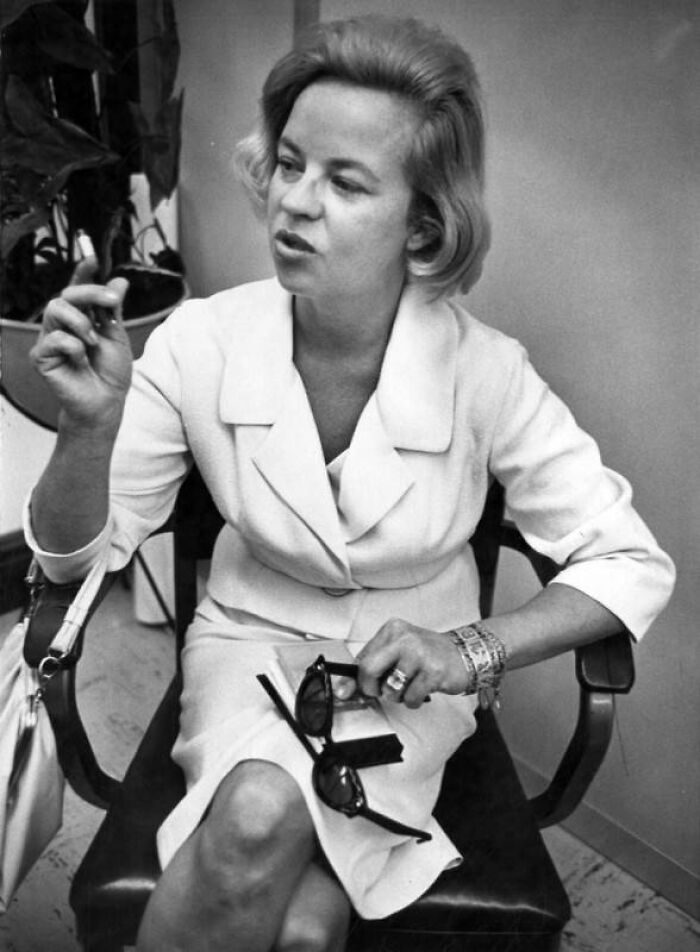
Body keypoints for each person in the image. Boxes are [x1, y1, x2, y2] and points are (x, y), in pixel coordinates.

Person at [26, 15, 674, 952]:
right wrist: (87, 430)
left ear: (423, 221)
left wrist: (470, 651)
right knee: (273, 857)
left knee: (270, 857)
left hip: (410, 673)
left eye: (345, 182)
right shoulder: (199, 342)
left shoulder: (487, 372)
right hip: (247, 640)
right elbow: (74, 562)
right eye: (289, 165)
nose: (294, 202)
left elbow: (628, 563)